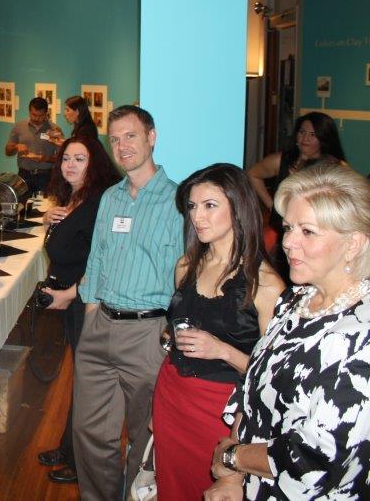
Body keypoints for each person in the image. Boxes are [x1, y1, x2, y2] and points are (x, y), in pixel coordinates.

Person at [205, 163, 370, 500]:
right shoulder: (296, 300)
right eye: (288, 227)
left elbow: (316, 457)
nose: (288, 242)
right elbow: (252, 388)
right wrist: (234, 476)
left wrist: (233, 457)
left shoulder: (361, 333)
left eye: (307, 231)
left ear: (353, 243)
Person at [151, 164, 284, 500]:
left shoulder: (265, 283)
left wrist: (222, 350)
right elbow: (179, 326)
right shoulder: (186, 265)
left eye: (210, 205)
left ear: (238, 208)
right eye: (192, 206)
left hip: (223, 410)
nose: (197, 217)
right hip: (172, 392)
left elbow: (274, 377)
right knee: (172, 486)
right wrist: (171, 338)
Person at [73, 105, 183, 500]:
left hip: (148, 334)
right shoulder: (110, 198)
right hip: (100, 325)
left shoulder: (178, 202)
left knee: (144, 436)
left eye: (130, 136)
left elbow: (186, 275)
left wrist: (170, 334)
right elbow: (97, 260)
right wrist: (90, 316)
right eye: (115, 139)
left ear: (151, 137)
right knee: (89, 433)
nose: (122, 146)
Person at [35, 135, 120, 485]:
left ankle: (82, 463)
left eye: (79, 159)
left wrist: (70, 294)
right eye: (66, 158)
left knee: (90, 386)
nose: (70, 165)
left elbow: (100, 261)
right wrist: (48, 221)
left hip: (87, 302)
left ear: (94, 164)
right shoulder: (75, 197)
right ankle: (69, 447)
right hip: (74, 301)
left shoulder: (99, 202)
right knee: (79, 379)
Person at [246, 112, 347, 269]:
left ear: (324, 138)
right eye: (302, 132)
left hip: (312, 235)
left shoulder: (334, 167)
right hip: (280, 231)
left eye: (312, 134)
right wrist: (272, 204)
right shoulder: (282, 160)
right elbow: (253, 174)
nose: (305, 138)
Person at [5, 97, 59, 195]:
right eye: (34, 115)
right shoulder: (19, 126)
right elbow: (7, 152)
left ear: (46, 113)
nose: (36, 118)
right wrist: (16, 147)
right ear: (29, 111)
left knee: (43, 204)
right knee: (22, 203)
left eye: (40, 116)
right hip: (24, 175)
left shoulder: (55, 130)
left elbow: (61, 157)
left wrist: (45, 159)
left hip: (45, 177)